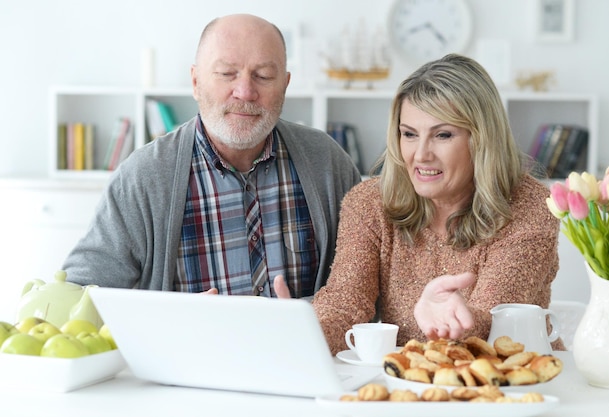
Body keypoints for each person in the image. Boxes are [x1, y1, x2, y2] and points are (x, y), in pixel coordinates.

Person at [62, 14, 361, 298]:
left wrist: (313, 315)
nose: (245, 92)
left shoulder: (327, 164)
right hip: (183, 353)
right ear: (195, 82)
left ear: (284, 84)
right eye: (226, 74)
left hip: (305, 353)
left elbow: (366, 285)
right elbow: (81, 290)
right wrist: (171, 318)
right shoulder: (143, 178)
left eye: (264, 76)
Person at [307, 54, 563, 355]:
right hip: (409, 380)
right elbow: (344, 306)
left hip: (514, 380)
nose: (421, 154)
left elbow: (494, 322)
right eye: (409, 134)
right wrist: (301, 334)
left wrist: (451, 320)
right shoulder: (369, 203)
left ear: (481, 139)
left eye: (443, 135)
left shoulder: (530, 206)